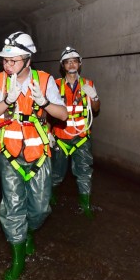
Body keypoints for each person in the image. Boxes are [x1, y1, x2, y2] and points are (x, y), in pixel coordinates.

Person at [0, 31, 67, 280]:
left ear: (28, 60)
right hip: (8, 153)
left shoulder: (44, 80)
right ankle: (18, 255)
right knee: (13, 206)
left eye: (14, 60)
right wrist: (7, 100)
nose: (8, 65)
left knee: (41, 207)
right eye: (5, 60)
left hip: (39, 152)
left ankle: (29, 231)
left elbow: (62, 115)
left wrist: (44, 103)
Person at [50, 47, 101, 219]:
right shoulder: (55, 85)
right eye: (68, 61)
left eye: (74, 61)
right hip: (61, 138)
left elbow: (96, 109)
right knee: (56, 174)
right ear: (63, 65)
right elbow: (47, 111)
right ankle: (51, 196)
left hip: (81, 138)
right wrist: (48, 133)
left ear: (79, 64)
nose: (71, 64)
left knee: (84, 173)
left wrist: (93, 97)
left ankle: (85, 205)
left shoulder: (88, 84)